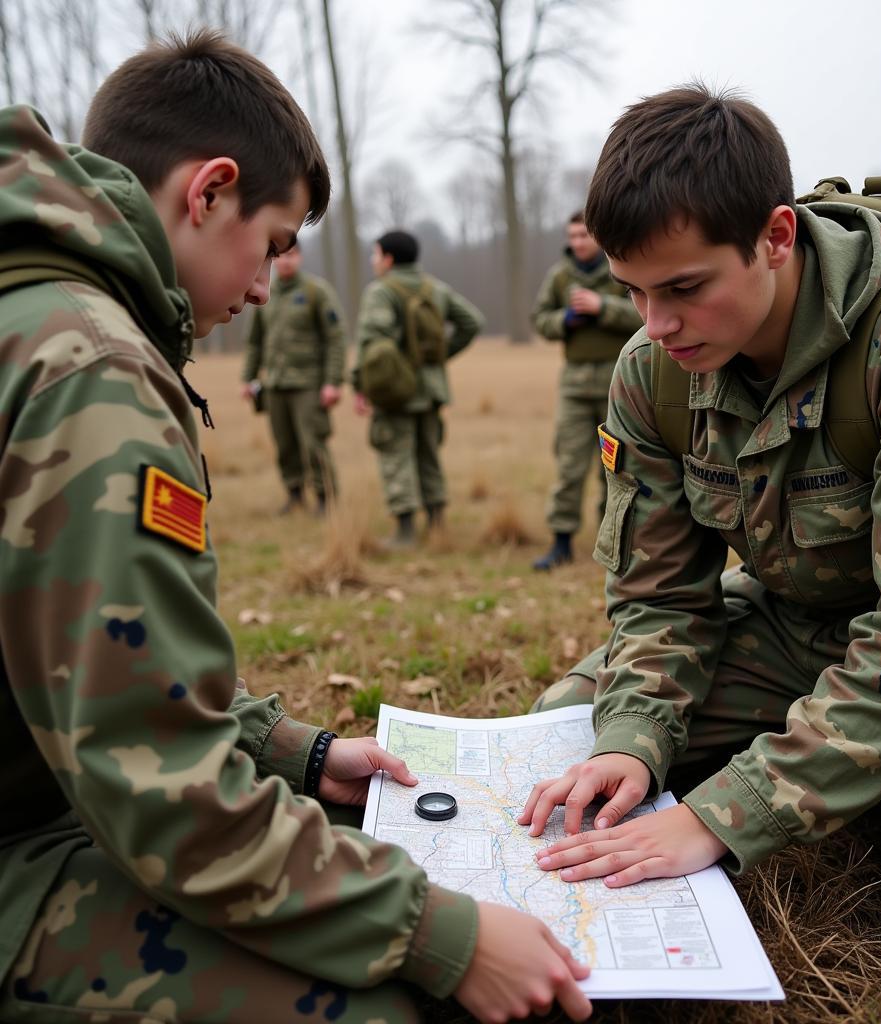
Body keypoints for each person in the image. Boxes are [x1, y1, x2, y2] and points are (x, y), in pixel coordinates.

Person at [0, 32, 591, 1023]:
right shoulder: (91, 367)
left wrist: (296, 755)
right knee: (377, 1008)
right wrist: (437, 932)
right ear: (210, 190)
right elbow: (159, 788)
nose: (272, 282)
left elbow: (78, 667)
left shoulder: (42, 307)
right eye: (273, 242)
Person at [518, 83, 881, 954]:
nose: (657, 324)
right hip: (797, 630)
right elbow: (662, 600)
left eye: (683, 287)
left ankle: (880, 792)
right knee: (573, 734)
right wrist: (636, 743)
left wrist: (724, 815)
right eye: (632, 291)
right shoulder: (652, 371)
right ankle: (837, 774)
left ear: (775, 238)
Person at [354, 230, 484, 548]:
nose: (373, 262)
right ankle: (437, 523)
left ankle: (405, 533)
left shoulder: (380, 292)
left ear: (388, 258)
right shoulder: (435, 288)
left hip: (396, 391)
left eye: (375, 255)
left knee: (395, 456)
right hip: (432, 390)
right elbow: (472, 322)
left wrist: (362, 384)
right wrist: (438, 360)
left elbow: (374, 343)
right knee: (428, 456)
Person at [531, 211, 643, 570]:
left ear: (597, 236)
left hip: (619, 384)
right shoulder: (560, 276)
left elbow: (644, 314)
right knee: (569, 465)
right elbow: (539, 320)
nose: (578, 243)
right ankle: (561, 542)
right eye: (573, 236)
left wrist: (602, 308)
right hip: (574, 387)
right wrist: (564, 320)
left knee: (615, 467)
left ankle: (611, 542)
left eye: (584, 235)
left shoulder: (622, 267)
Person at [241, 239, 346, 516]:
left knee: (313, 443)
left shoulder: (316, 292)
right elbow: (255, 342)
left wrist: (333, 382)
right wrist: (247, 378)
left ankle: (326, 498)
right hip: (275, 384)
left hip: (309, 384)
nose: (286, 261)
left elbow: (335, 339)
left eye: (292, 255)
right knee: (284, 444)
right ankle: (294, 494)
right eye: (281, 257)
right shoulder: (266, 293)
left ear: (299, 258)